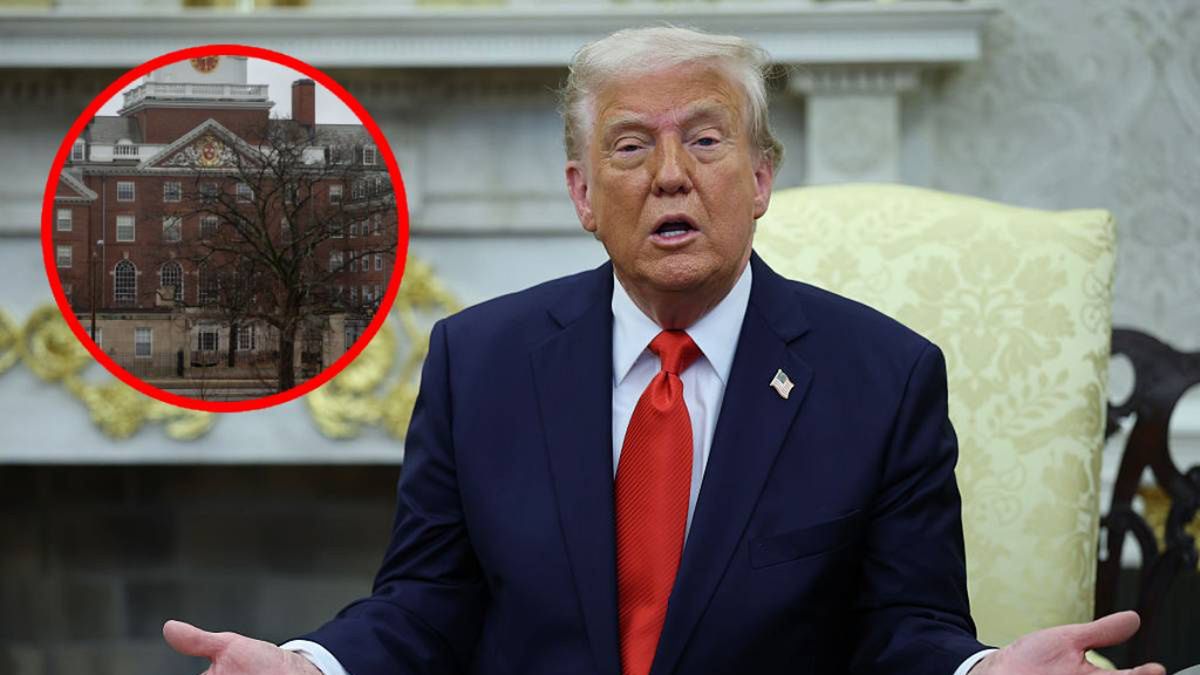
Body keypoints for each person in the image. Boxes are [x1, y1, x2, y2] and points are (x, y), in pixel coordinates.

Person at [163, 26, 1166, 675]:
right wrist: (313, 664)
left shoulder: (882, 377)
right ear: (581, 193)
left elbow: (903, 629)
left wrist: (982, 673)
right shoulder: (482, 363)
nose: (672, 176)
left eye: (708, 140)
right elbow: (428, 605)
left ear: (763, 178)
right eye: (632, 146)